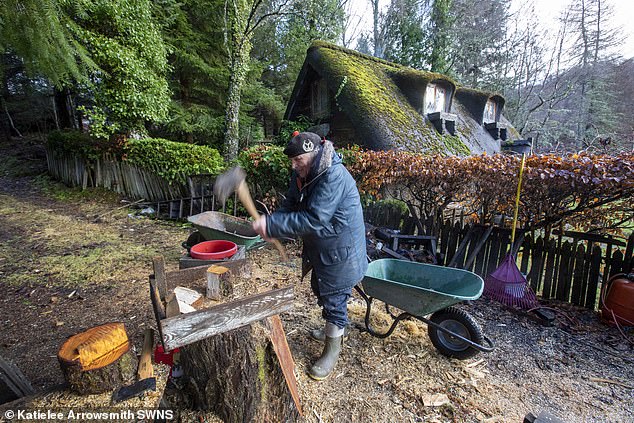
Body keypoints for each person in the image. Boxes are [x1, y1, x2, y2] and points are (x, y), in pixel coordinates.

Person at [251, 131, 368, 380]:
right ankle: (331, 330)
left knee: (335, 298)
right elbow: (290, 205)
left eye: (298, 160)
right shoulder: (303, 174)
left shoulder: (333, 175)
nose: (294, 166)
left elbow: (315, 218)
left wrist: (271, 227)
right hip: (322, 246)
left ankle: (332, 349)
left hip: (341, 249)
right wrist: (273, 222)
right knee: (320, 288)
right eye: (292, 161)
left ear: (314, 154)